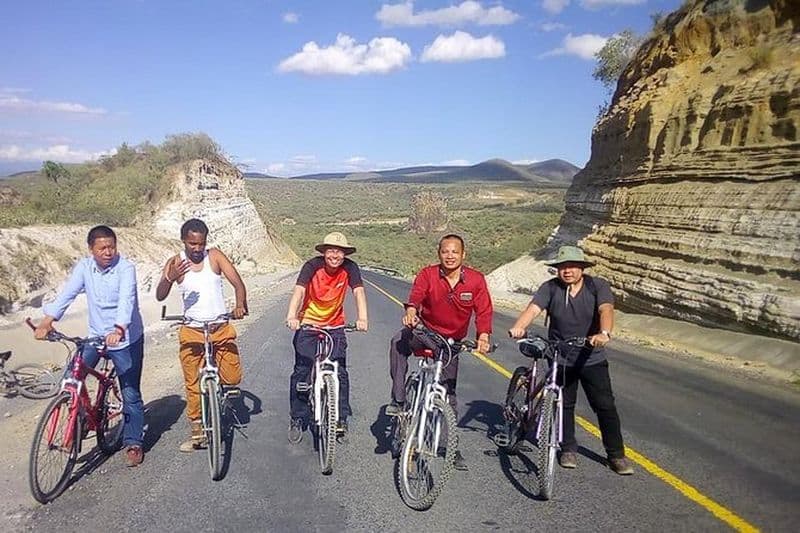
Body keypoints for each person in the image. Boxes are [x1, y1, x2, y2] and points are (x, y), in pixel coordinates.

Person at [508, 245, 633, 475]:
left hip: (591, 356)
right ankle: (567, 449)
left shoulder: (597, 286)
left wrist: (604, 333)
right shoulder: (550, 288)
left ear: (582, 268)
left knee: (604, 405)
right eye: (563, 267)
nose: (567, 271)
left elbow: (606, 310)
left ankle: (616, 455)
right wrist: (519, 327)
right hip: (561, 356)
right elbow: (533, 309)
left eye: (573, 266)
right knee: (563, 404)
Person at [33, 225, 146, 467]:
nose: (108, 252)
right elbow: (67, 294)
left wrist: (119, 329)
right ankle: (79, 419)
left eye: (111, 247)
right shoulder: (84, 267)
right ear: (91, 249)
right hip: (96, 335)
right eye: (102, 248)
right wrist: (47, 321)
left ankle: (134, 442)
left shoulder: (125, 268)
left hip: (125, 337)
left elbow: (126, 300)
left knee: (130, 392)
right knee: (71, 378)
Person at [387, 234, 493, 471]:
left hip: (450, 342)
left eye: (455, 252)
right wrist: (411, 311)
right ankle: (399, 399)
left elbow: (484, 310)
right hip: (425, 332)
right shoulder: (428, 274)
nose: (450, 256)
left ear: (463, 254)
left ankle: (448, 446)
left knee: (448, 394)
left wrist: (483, 335)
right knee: (398, 342)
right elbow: (416, 296)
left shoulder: (475, 280)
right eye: (445, 251)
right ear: (439, 253)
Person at [155, 218, 248, 452]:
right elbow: (160, 295)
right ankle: (197, 429)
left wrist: (239, 305)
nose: (197, 249)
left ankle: (221, 398)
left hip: (219, 326)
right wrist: (170, 276)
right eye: (192, 244)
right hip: (192, 330)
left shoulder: (214, 257)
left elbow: (238, 283)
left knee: (232, 377)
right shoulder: (176, 262)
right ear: (183, 241)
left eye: (201, 243)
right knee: (192, 383)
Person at [286, 232, 368, 443]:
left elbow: (358, 292)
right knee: (302, 370)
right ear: (324, 252)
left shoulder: (350, 268)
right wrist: (292, 315)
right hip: (309, 323)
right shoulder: (312, 266)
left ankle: (340, 419)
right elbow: (299, 291)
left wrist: (362, 318)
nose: (335, 255)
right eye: (331, 250)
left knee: (339, 371)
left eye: (339, 251)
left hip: (335, 325)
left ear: (345, 254)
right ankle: (297, 417)